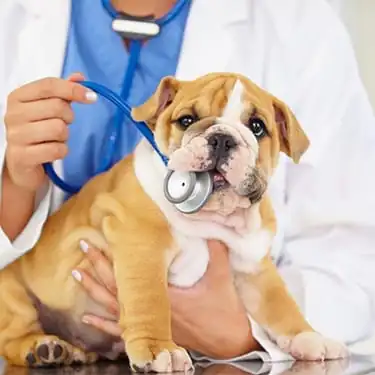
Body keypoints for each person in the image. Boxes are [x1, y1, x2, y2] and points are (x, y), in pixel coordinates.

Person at [1, 0, 375, 364]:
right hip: (49, 311)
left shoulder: (299, 25)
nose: (220, 144)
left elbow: (351, 257)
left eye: (255, 127)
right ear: (160, 111)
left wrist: (241, 334)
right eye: (188, 120)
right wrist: (14, 182)